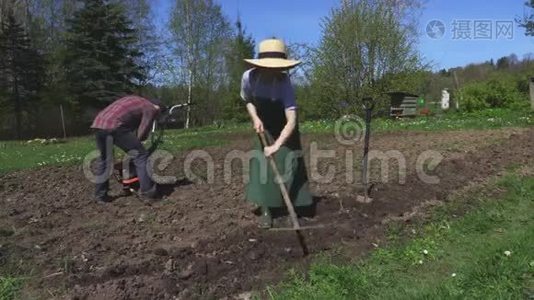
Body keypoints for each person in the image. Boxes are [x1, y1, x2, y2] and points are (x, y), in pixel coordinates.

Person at [241, 38, 313, 228]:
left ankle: (295, 208)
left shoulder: (284, 83)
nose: (274, 71)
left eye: (277, 67)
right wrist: (255, 118)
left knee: (290, 165)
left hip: (284, 127)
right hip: (263, 126)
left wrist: (277, 145)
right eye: (270, 67)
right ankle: (266, 209)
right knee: (262, 168)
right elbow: (247, 99)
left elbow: (292, 119)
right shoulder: (249, 77)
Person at [90, 95, 164, 203]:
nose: (157, 116)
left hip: (99, 124)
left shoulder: (136, 100)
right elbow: (142, 133)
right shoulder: (150, 108)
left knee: (105, 160)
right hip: (114, 125)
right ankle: (148, 193)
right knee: (141, 155)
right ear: (158, 107)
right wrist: (139, 141)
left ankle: (100, 195)